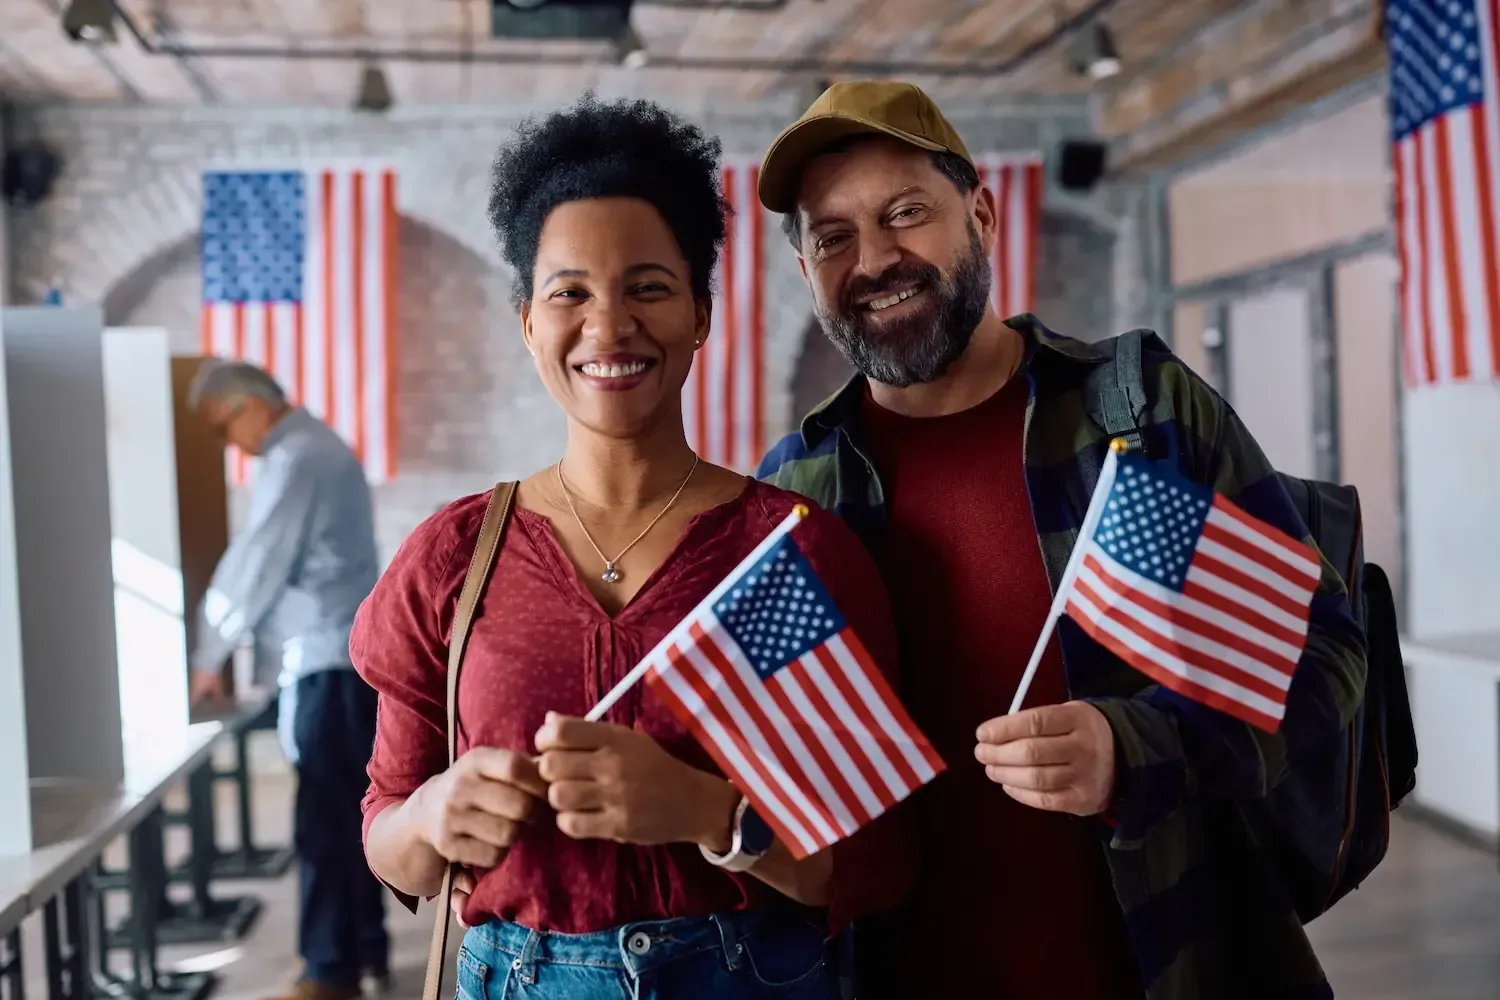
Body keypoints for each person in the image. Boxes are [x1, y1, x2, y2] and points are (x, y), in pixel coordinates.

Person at [755, 80, 1369, 1000]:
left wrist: (1135, 750)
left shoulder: (1141, 411)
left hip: (1171, 961)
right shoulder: (793, 491)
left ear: (984, 216)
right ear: (807, 273)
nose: (876, 258)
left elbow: (1326, 654)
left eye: (905, 214)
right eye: (832, 237)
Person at [351, 94, 905, 1000]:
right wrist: (431, 816)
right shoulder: (455, 558)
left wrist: (705, 810)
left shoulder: (788, 557)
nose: (608, 327)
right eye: (570, 293)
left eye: (647, 287)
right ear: (529, 322)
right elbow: (392, 845)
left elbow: (865, 868)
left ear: (700, 314)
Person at [187, 361, 389, 1000]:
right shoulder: (318, 446)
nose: (230, 445)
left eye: (226, 426)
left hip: (324, 664)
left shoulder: (296, 456)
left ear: (250, 404)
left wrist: (208, 651)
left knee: (323, 823)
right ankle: (362, 951)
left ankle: (329, 971)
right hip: (337, 662)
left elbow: (257, 562)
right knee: (346, 815)